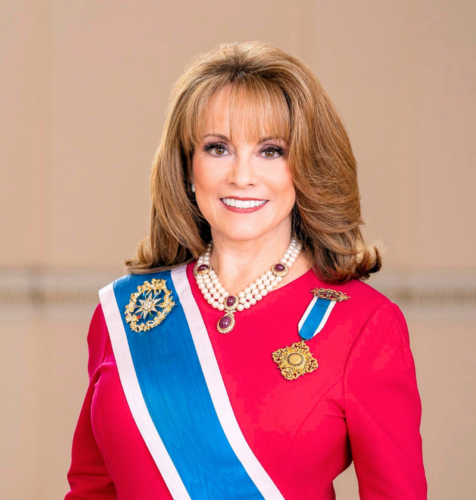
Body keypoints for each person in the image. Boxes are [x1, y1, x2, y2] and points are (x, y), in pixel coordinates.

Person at [65, 40, 427, 499]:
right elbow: (90, 488)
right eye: (217, 148)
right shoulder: (127, 311)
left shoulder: (363, 325)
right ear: (187, 166)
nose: (241, 176)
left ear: (307, 166)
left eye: (271, 150)